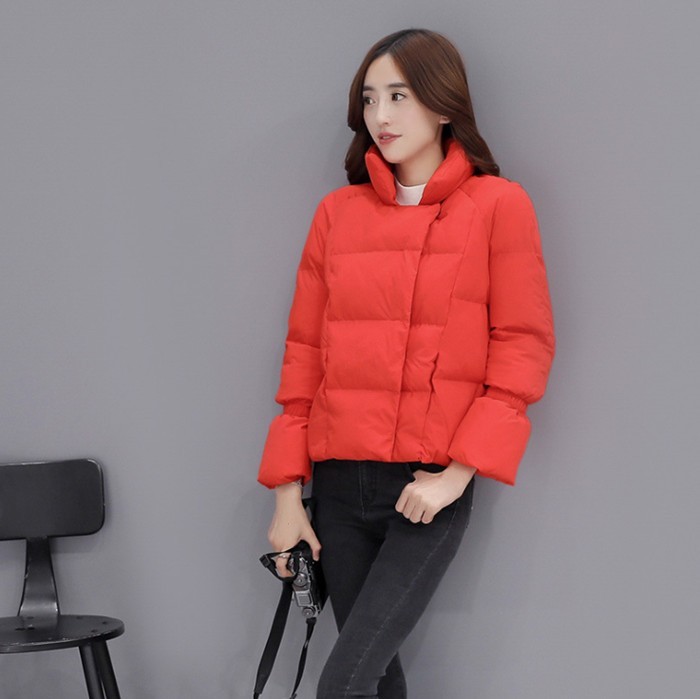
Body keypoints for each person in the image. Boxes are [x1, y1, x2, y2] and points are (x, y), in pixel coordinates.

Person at [257, 28, 555, 699]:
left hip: (426, 489)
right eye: (369, 98)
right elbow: (304, 355)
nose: (381, 116)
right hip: (337, 487)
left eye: (399, 95)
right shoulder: (337, 214)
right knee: (376, 680)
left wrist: (457, 474)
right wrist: (286, 495)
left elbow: (523, 343)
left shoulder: (498, 205)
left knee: (344, 682)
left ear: (443, 104)